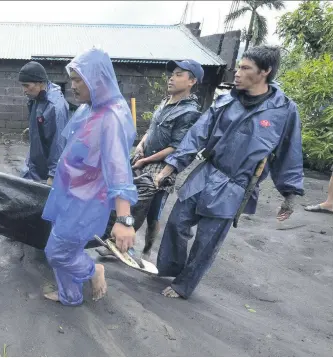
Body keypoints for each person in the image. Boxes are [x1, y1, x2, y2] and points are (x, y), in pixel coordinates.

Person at [154, 45, 305, 299]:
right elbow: (197, 134)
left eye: (245, 68)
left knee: (207, 240)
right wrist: (171, 167)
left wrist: (289, 194)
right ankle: (171, 268)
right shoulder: (226, 101)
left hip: (236, 184)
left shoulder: (284, 110)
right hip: (206, 172)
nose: (237, 73)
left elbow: (289, 152)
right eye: (239, 66)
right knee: (177, 222)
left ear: (265, 72)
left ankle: (184, 285)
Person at [41, 48, 138, 306]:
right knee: (67, 248)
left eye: (77, 80)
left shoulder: (111, 117)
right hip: (69, 193)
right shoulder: (90, 109)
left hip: (86, 201)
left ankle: (94, 271)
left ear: (96, 79)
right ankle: (69, 295)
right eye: (71, 79)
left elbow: (119, 170)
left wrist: (124, 220)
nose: (72, 86)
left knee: (56, 253)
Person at [97, 59, 203, 261]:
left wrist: (146, 161)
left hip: (162, 167)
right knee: (124, 196)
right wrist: (140, 145)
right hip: (144, 156)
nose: (172, 78)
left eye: (179, 74)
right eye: (172, 74)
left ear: (192, 81)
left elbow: (176, 147)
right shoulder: (166, 102)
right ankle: (117, 243)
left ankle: (145, 248)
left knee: (150, 210)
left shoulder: (190, 112)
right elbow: (151, 129)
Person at [18, 61, 69, 185]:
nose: (24, 90)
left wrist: (53, 174)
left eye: (26, 85)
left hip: (47, 173)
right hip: (35, 165)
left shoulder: (55, 107)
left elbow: (58, 143)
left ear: (40, 83)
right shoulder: (37, 99)